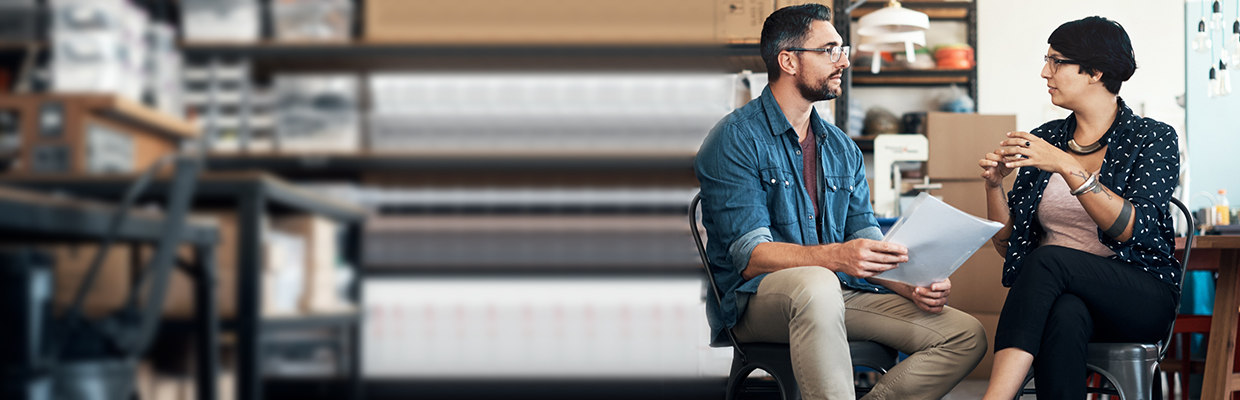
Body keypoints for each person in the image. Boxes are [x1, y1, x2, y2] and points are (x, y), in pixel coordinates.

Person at [694, 4, 986, 399]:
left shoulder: (841, 148)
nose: (844, 60)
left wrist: (909, 286)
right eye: (830, 49)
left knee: (965, 335)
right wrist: (837, 258)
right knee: (817, 283)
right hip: (757, 302)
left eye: (842, 48)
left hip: (835, 292)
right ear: (789, 61)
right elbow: (751, 257)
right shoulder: (735, 138)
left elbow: (866, 240)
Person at [977, 16, 1182, 400]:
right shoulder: (1046, 137)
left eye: (1056, 61)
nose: (1044, 72)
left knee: (1049, 260)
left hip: (1139, 294)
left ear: (1095, 71)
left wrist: (1068, 167)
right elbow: (1010, 244)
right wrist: (994, 186)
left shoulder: (1152, 137)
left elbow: (1131, 231)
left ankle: (995, 397)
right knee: (1065, 315)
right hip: (1063, 297)